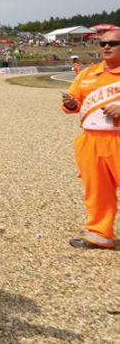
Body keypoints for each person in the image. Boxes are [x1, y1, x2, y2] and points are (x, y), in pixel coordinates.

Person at [61, 29, 120, 249]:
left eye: (113, 43)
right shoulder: (87, 73)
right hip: (91, 139)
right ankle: (99, 235)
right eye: (103, 43)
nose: (106, 47)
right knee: (96, 190)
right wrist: (69, 104)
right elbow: (73, 100)